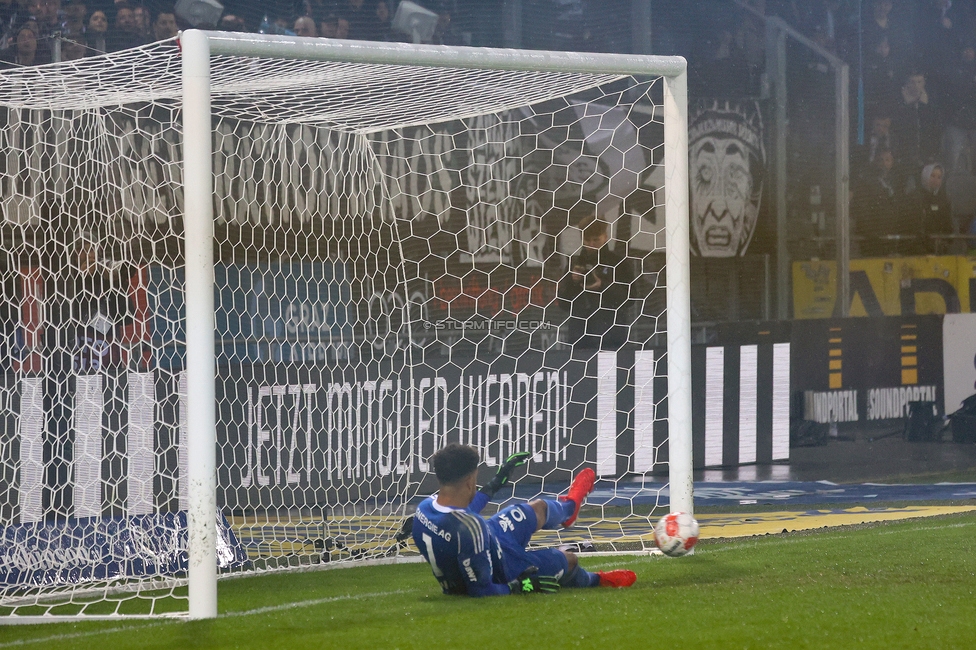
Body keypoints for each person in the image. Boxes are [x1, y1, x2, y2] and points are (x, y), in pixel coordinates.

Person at [412, 443, 636, 597]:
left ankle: (570, 507)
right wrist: (523, 586)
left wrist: (497, 481)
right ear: (470, 481)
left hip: (491, 539)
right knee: (569, 560)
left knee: (536, 509)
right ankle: (597, 580)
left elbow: (463, 511)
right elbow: (481, 590)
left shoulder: (426, 508)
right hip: (504, 568)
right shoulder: (470, 529)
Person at [558, 214, 633, 349]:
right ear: (582, 239)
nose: (591, 244)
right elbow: (563, 303)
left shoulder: (619, 262)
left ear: (605, 237)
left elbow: (631, 299)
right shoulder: (574, 264)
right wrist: (573, 281)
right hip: (580, 337)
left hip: (611, 337)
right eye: (587, 240)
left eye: (596, 240)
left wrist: (603, 286)